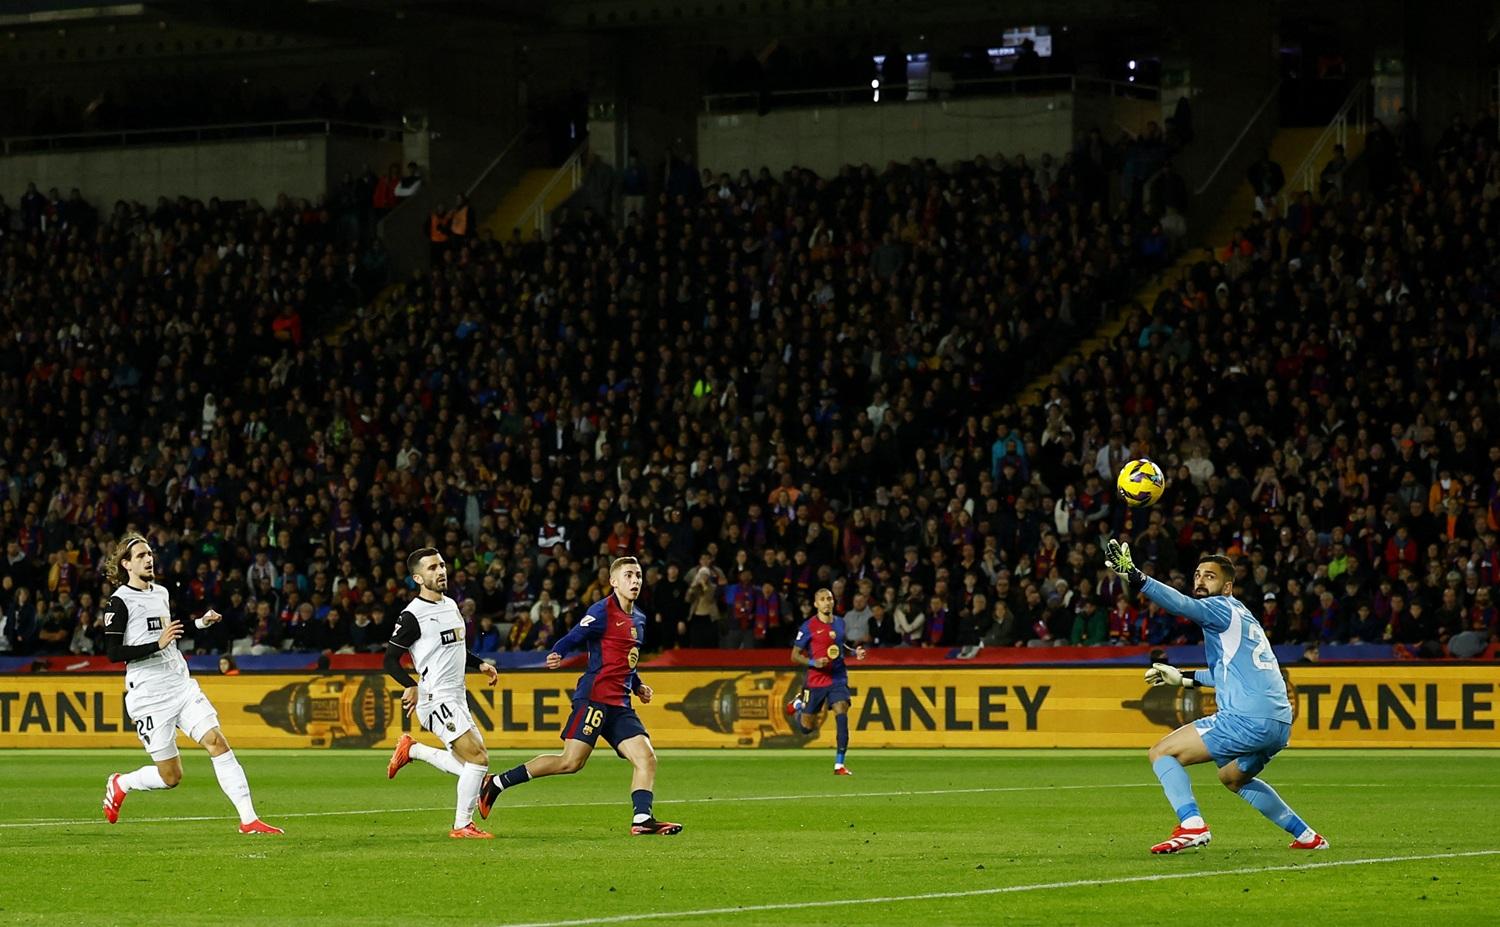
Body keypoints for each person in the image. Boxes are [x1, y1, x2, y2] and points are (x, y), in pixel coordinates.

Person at [1105, 541, 1325, 854]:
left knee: (1161, 753)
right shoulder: (1243, 617)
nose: (1200, 581)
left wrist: (1136, 577)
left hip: (1246, 719)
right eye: (1197, 575)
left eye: (1210, 576)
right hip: (1278, 724)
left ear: (1227, 587)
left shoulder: (1220, 608)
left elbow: (1181, 604)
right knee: (1232, 777)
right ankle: (1307, 836)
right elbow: (1228, 674)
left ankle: (1192, 824)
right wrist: (1182, 677)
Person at [475, 557, 681, 836]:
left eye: (638, 576)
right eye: (629, 575)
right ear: (614, 581)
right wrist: (558, 652)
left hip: (620, 704)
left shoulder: (640, 618)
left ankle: (642, 819)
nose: (635, 581)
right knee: (571, 762)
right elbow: (574, 636)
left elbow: (625, 662)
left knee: (646, 757)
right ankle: (497, 783)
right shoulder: (602, 611)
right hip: (595, 699)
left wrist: (638, 686)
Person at [100, 534, 281, 834]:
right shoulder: (119, 602)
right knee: (171, 777)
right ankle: (122, 783)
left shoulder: (160, 592)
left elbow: (169, 629)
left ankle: (249, 819)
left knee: (216, 741)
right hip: (149, 694)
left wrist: (199, 623)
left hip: (180, 684)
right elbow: (113, 653)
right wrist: (157, 645)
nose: (149, 559)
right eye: (141, 555)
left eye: (150, 553)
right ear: (126, 564)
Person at [383, 547, 500, 839]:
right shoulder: (412, 615)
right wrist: (410, 685)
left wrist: (480, 664)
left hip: (456, 696)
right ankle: (462, 826)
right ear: (417, 578)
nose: (441, 571)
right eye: (433, 568)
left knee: (470, 765)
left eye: (442, 565)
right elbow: (389, 660)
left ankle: (412, 750)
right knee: (478, 759)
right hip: (435, 698)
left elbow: (455, 646)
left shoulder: (450, 605)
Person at [784, 588, 867, 774]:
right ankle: (799, 704)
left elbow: (840, 646)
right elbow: (794, 655)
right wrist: (813, 662)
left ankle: (839, 765)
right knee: (807, 728)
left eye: (829, 598)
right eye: (822, 599)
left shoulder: (840, 623)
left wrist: (855, 652)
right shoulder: (808, 627)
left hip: (837, 676)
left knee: (841, 710)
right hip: (816, 680)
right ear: (816, 604)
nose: (827, 602)